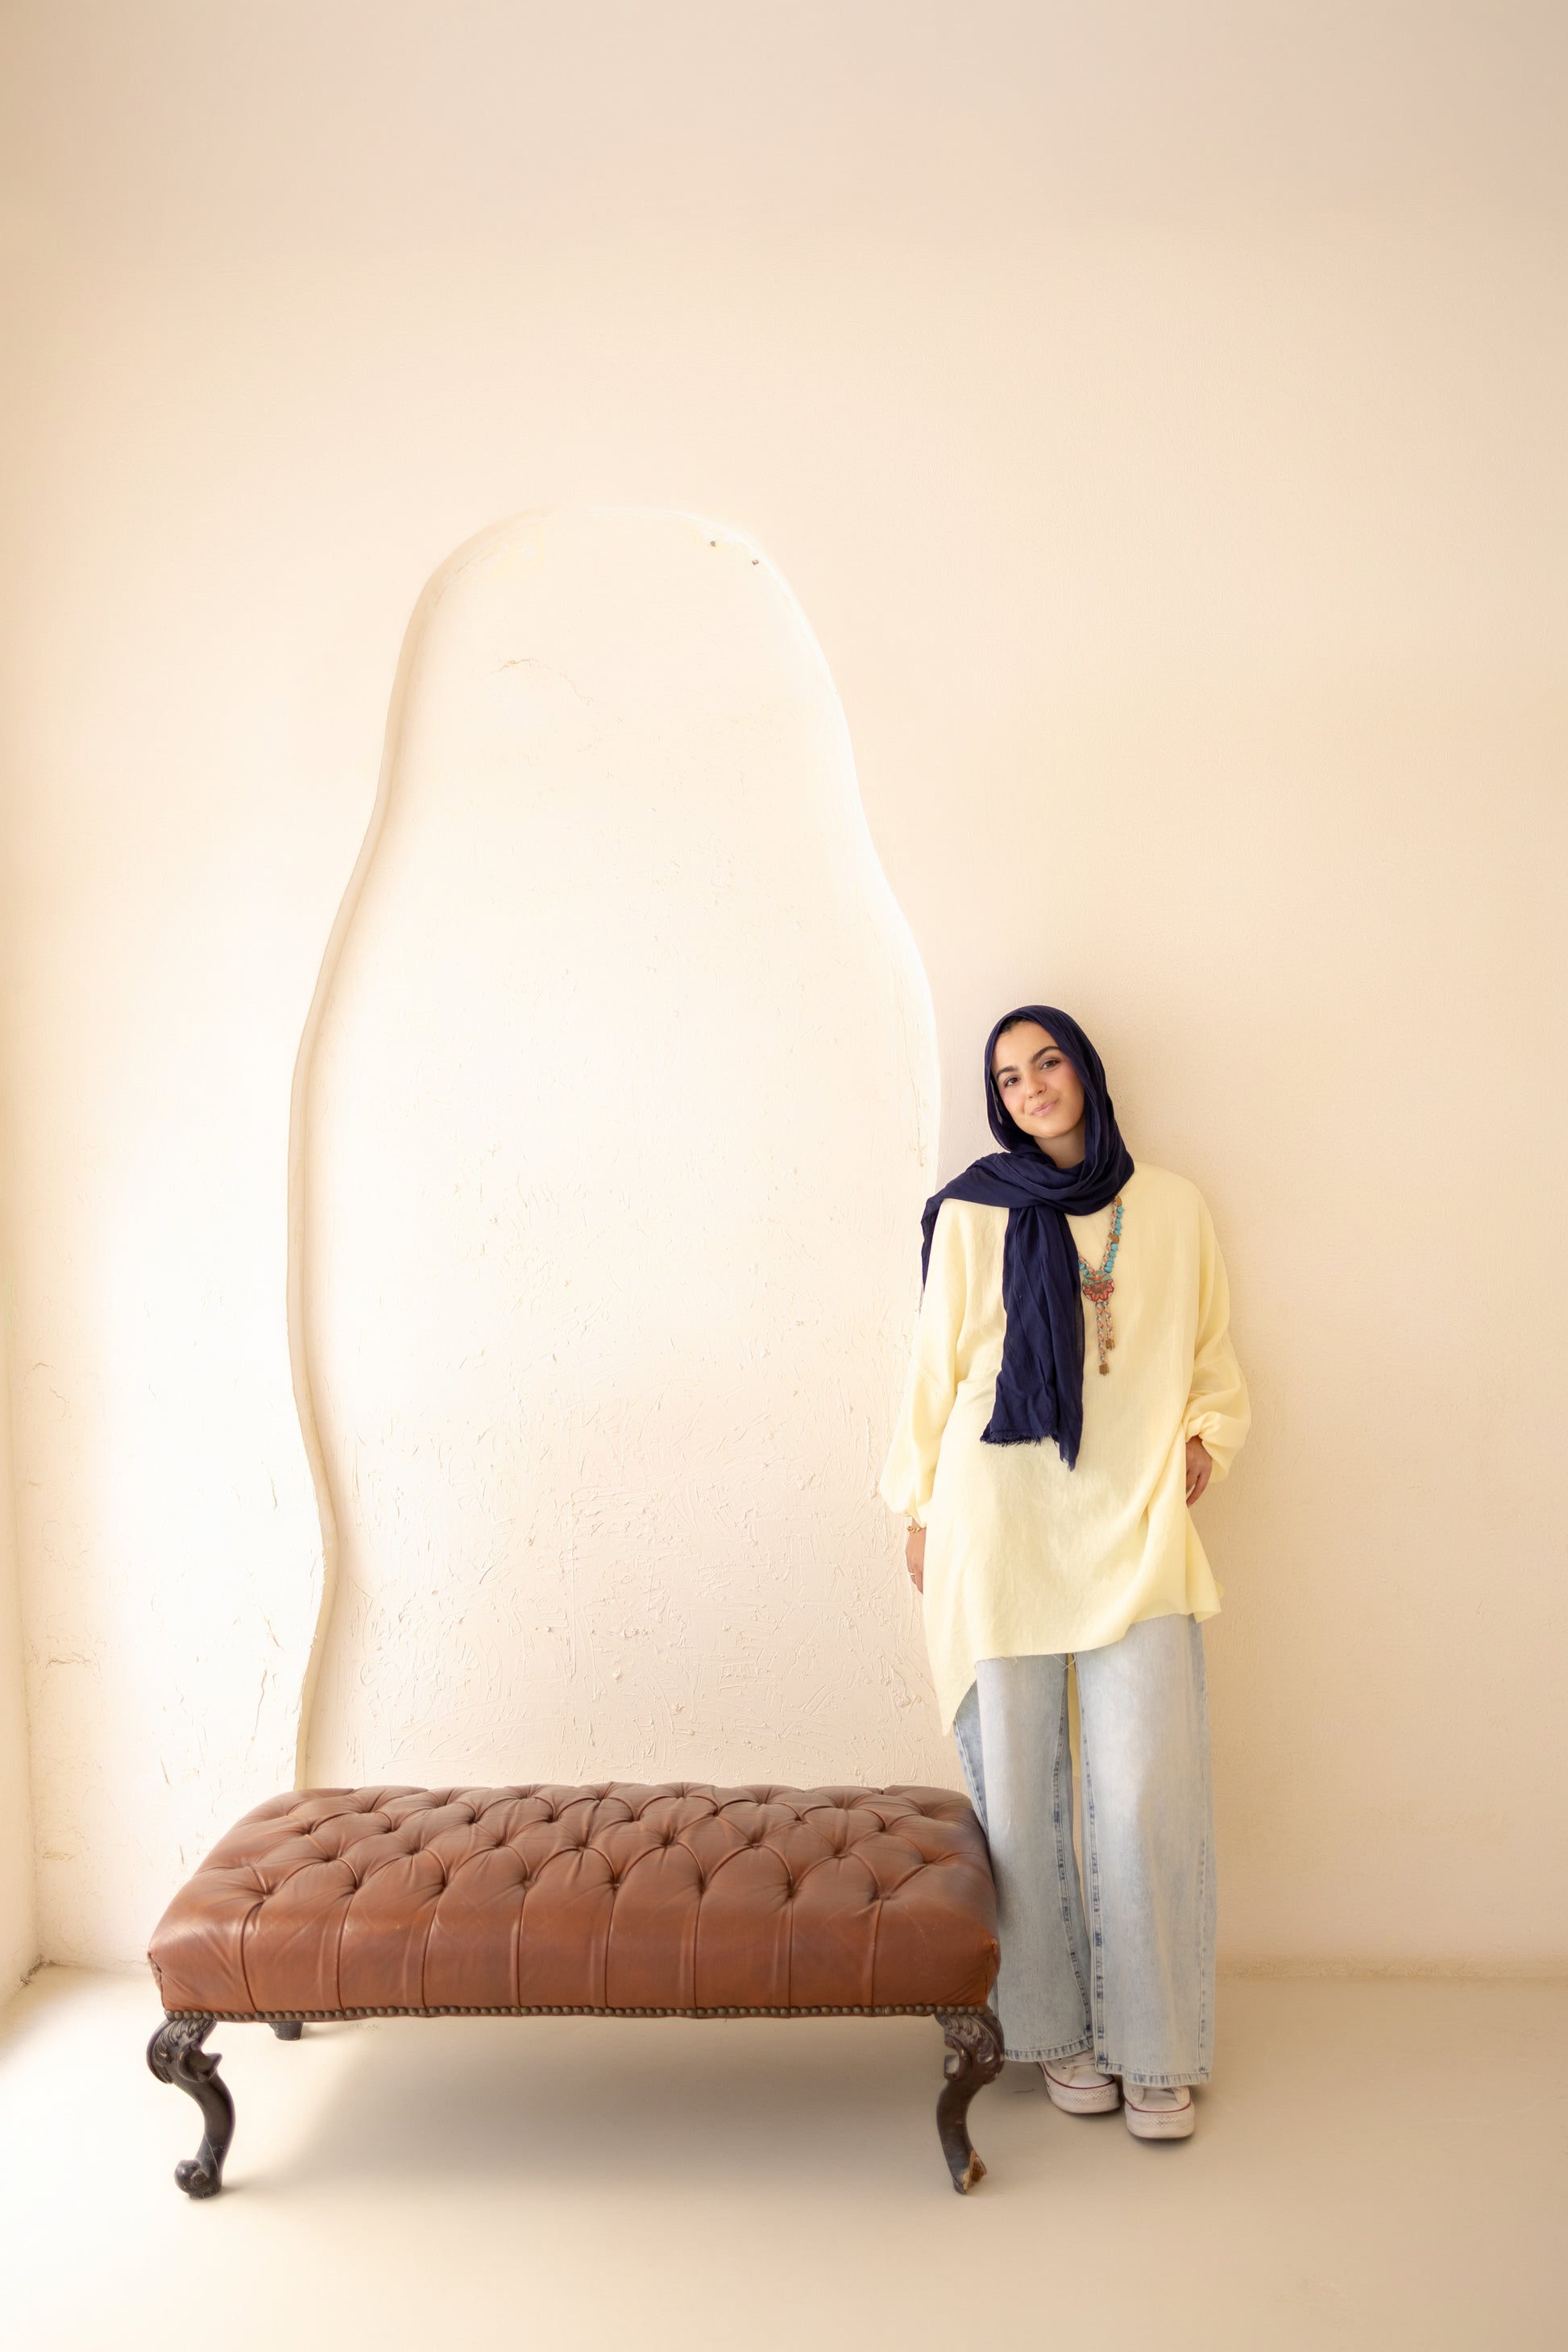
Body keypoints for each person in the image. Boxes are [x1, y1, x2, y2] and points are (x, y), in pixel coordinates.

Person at [877, 1004, 1250, 2141]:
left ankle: (1154, 2048)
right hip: (997, 1519)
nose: (1032, 1084)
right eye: (1009, 1075)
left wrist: (1206, 1434)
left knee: (1143, 1796)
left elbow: (1209, 1353)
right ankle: (1055, 2036)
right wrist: (916, 1508)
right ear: (996, 1100)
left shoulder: (1171, 1206)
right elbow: (934, 1367)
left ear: (1083, 1070)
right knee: (1021, 1803)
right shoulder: (974, 1212)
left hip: (1131, 1520)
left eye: (1047, 1062)